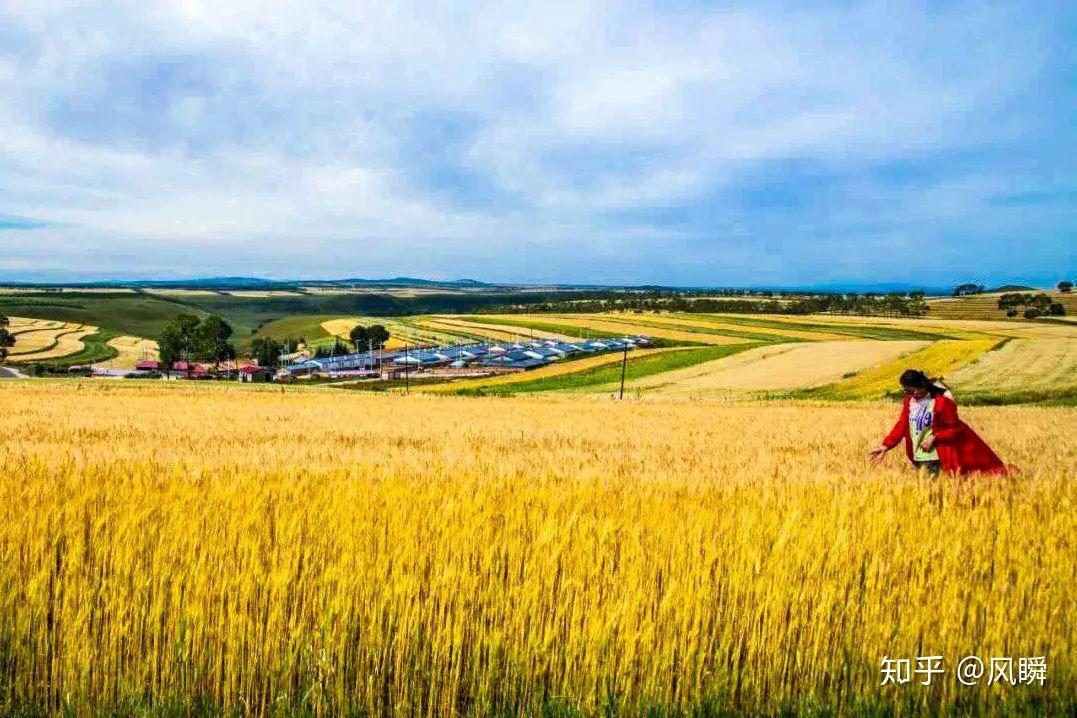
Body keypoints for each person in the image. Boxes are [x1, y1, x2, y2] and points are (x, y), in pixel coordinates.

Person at [868, 369, 1007, 476]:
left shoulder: (941, 403)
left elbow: (954, 429)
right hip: (917, 456)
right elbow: (902, 425)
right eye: (908, 391)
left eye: (913, 390)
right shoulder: (909, 403)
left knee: (930, 493)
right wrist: (885, 447)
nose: (913, 394)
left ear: (922, 385)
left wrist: (934, 437)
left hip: (935, 455)